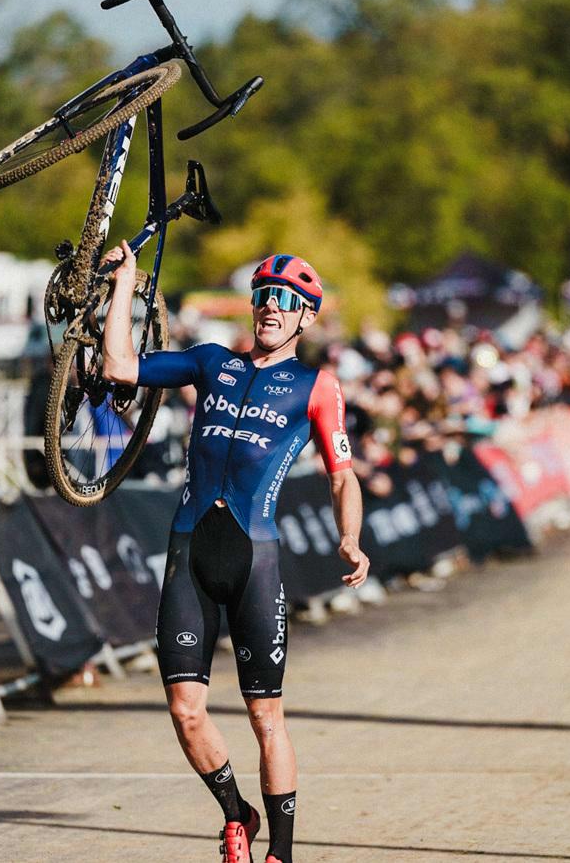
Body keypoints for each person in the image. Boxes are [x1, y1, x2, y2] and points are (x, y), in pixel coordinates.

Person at [102, 242, 370, 863]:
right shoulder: (210, 363)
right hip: (189, 550)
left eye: (285, 299)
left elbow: (342, 475)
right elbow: (119, 366)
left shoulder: (316, 387)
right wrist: (125, 284)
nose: (270, 306)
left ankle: (281, 852)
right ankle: (235, 814)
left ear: (306, 317)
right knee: (185, 710)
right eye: (263, 295)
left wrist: (350, 537)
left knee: (265, 718)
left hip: (256, 560)